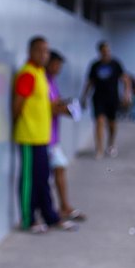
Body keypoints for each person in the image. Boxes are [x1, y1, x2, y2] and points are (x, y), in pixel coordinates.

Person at [13, 36, 78, 234]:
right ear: (31, 52)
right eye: (40, 51)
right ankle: (28, 219)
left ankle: (50, 217)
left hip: (43, 137)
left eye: (47, 51)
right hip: (29, 137)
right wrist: (19, 125)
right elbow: (18, 104)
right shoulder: (28, 74)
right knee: (29, 181)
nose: (44, 55)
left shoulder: (41, 73)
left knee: (42, 180)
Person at [46, 50, 86, 222]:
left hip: (52, 136)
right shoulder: (43, 80)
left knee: (59, 169)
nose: (58, 68)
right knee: (56, 170)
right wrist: (64, 109)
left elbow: (56, 102)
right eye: (56, 64)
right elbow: (49, 107)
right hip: (43, 137)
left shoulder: (52, 82)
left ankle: (63, 207)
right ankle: (58, 209)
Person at [81, 41, 132, 159]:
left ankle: (111, 144)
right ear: (100, 52)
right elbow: (90, 82)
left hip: (113, 98)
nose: (106, 53)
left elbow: (125, 79)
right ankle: (99, 148)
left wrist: (126, 94)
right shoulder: (95, 65)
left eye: (107, 51)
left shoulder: (115, 64)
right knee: (99, 121)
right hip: (98, 98)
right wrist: (84, 97)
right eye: (103, 51)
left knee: (112, 124)